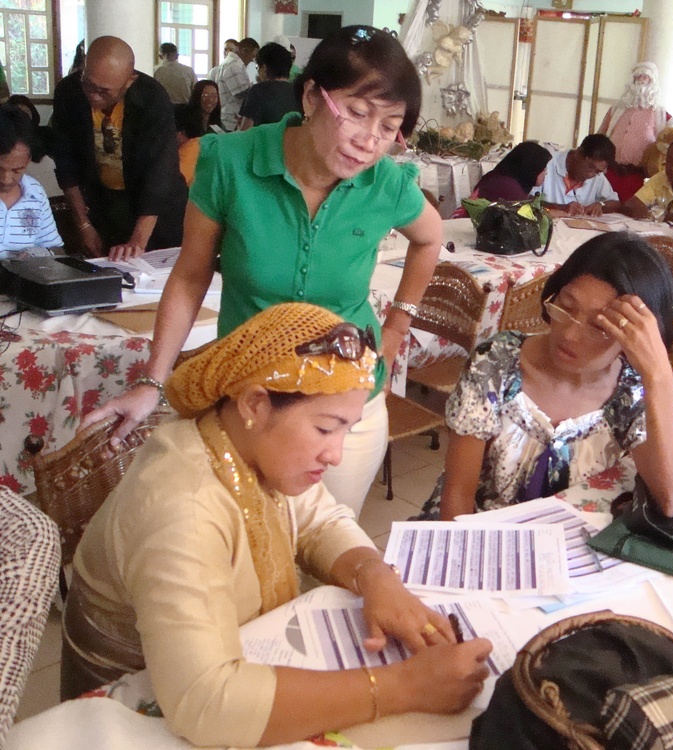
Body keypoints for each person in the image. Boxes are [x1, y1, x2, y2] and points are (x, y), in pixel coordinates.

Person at [62, 303, 493, 747]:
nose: (336, 454)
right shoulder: (182, 506)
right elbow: (206, 702)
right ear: (255, 404)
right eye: (326, 429)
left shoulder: (242, 440)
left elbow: (319, 520)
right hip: (133, 700)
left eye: (346, 430)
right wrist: (403, 688)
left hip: (222, 658)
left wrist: (375, 577)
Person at [81, 26, 443, 519]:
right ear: (313, 96)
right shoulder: (231, 162)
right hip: (252, 401)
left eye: (389, 126)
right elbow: (189, 277)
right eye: (357, 114)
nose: (369, 142)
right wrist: (153, 381)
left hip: (344, 405)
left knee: (326, 549)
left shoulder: (385, 183)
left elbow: (429, 238)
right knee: (238, 557)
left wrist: (398, 325)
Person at [418, 232, 673, 520]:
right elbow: (457, 494)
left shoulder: (632, 392)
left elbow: (671, 499)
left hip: (574, 550)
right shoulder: (497, 363)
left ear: (634, 336)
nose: (570, 335)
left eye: (599, 326)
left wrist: (658, 375)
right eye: (566, 308)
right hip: (482, 534)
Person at [49, 36, 187, 260]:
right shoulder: (69, 93)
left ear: (129, 81)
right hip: (106, 206)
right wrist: (83, 225)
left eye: (104, 92)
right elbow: (66, 163)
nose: (93, 96)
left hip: (157, 213)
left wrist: (138, 241)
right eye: (88, 84)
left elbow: (161, 172)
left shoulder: (152, 98)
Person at [597, 62, 673, 203]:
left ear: (653, 82)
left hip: (636, 178)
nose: (641, 81)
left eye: (646, 78)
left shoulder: (659, 114)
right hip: (609, 174)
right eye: (638, 77)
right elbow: (599, 137)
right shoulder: (616, 110)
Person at [0, 105, 62, 251]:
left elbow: (55, 248)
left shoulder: (35, 192)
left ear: (28, 160)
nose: (6, 179)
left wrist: (35, 256)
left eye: (17, 170)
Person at [533, 134, 621, 217]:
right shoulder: (548, 164)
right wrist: (560, 207)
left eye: (598, 172)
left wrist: (601, 205)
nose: (592, 175)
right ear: (579, 153)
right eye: (590, 167)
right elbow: (528, 201)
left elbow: (615, 203)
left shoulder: (597, 176)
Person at [465, 141, 551, 204]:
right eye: (543, 169)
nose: (546, 173)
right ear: (531, 168)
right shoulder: (508, 188)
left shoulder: (508, 180)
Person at [237, 42, 297, 130]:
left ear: (264, 68)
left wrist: (240, 125)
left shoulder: (258, 90)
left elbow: (245, 131)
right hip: (293, 142)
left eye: (257, 67)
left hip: (264, 143)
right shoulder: (298, 91)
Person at [218, 37, 259, 131]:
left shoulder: (234, 64)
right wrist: (259, 87)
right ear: (244, 51)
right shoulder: (233, 65)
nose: (252, 60)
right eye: (252, 56)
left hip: (232, 118)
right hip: (232, 120)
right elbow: (241, 93)